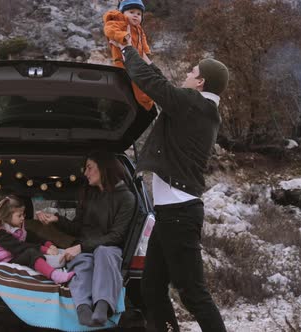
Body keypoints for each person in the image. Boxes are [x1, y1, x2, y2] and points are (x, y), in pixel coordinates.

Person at [109, 32, 229, 332]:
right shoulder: (201, 107)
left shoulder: (192, 105)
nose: (188, 75)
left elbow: (156, 87)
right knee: (151, 287)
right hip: (170, 215)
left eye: (192, 72)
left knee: (193, 293)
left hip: (179, 214)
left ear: (200, 83)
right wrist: (144, 55)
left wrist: (126, 49)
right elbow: (165, 87)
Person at [35, 151, 136, 327]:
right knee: (82, 263)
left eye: (89, 168)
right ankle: (83, 309)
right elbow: (78, 228)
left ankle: (102, 307)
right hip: (84, 247)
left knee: (104, 253)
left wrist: (81, 247)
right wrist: (57, 219)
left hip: (109, 247)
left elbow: (117, 236)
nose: (85, 173)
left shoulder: (126, 197)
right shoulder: (89, 194)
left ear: (104, 168)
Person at [0, 194, 75, 284]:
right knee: (31, 253)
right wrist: (44, 250)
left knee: (47, 249)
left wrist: (48, 244)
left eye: (23, 214)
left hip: (13, 254)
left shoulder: (16, 224)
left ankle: (59, 264)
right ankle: (55, 275)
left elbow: (30, 236)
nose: (23, 218)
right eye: (19, 215)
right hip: (5, 260)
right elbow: (19, 247)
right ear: (7, 216)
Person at [103, 0, 154, 111]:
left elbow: (142, 39)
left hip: (136, 59)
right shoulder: (120, 22)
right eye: (131, 12)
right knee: (136, 82)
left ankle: (143, 102)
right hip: (123, 60)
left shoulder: (139, 28)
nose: (135, 15)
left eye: (139, 14)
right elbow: (109, 29)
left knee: (141, 80)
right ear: (123, 13)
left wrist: (145, 50)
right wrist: (123, 36)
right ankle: (146, 103)